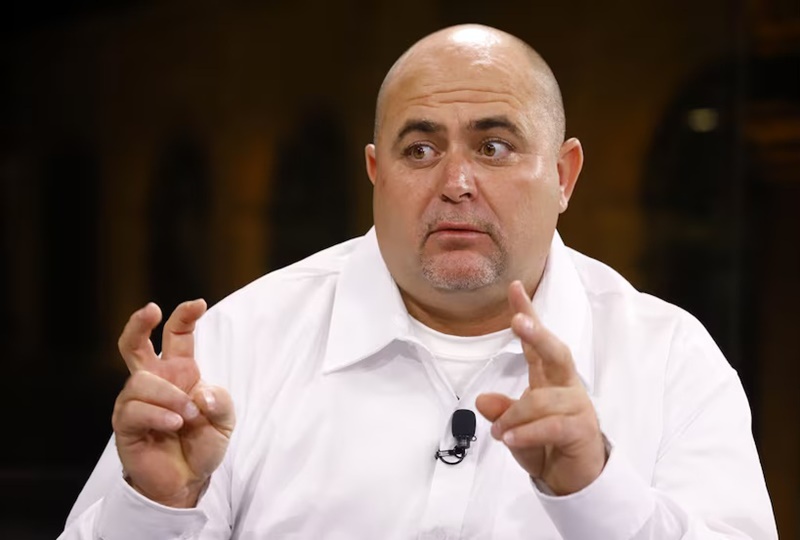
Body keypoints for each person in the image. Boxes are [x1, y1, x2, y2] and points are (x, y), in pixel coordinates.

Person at [58, 24, 777, 539]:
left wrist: (595, 492)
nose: (456, 182)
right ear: (377, 173)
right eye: (421, 149)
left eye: (494, 146)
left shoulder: (668, 358)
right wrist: (157, 506)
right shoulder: (240, 344)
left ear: (564, 175)